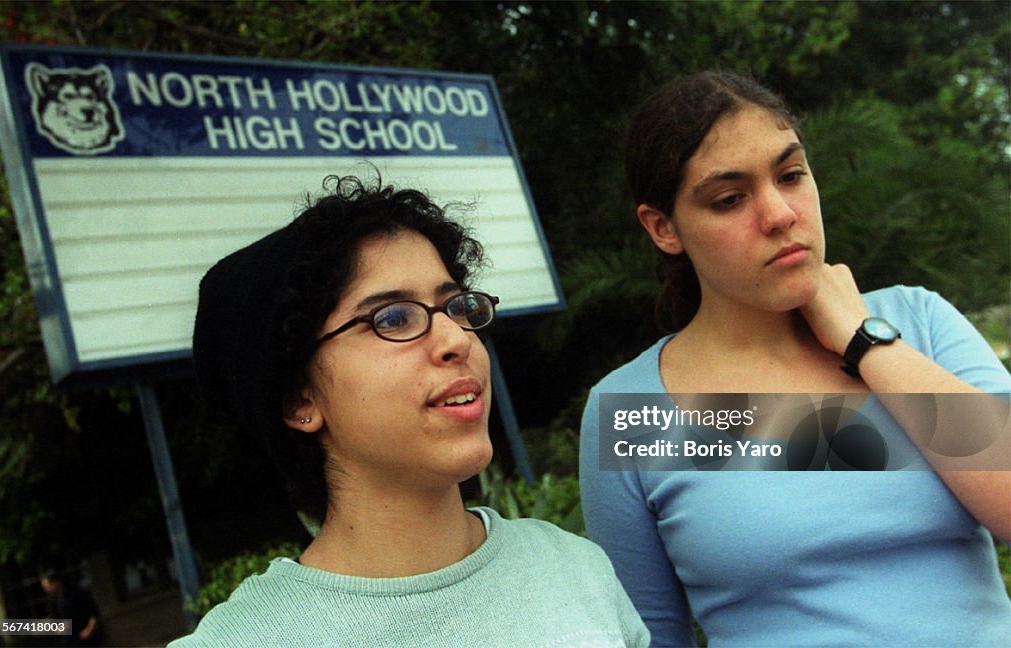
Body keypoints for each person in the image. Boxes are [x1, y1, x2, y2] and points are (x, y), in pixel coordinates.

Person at [579, 71, 1011, 647]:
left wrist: (864, 340)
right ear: (663, 228)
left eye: (790, 175)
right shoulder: (630, 409)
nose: (780, 213)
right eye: (730, 199)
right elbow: (649, 637)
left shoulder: (918, 322)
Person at [170, 175, 649, 647]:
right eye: (394, 318)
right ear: (300, 400)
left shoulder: (573, 567)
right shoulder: (247, 639)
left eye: (457, 307)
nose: (456, 340)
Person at [39, 569, 101, 647]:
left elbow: (94, 613)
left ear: (56, 582)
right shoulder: (54, 603)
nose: (47, 590)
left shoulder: (76, 595)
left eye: (48, 586)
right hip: (68, 642)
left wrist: (89, 630)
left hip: (85, 641)